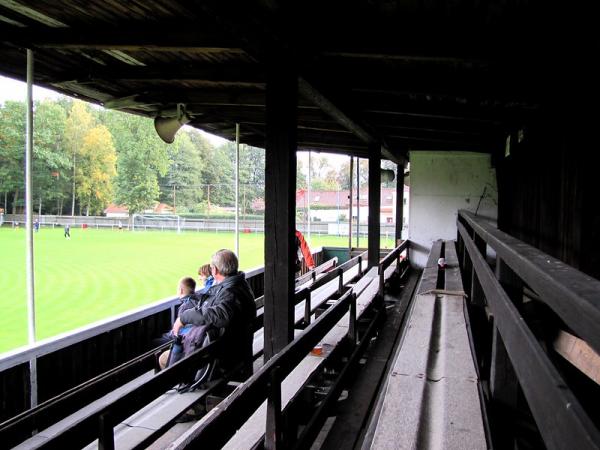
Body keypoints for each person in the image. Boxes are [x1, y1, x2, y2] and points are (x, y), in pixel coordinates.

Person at [173, 249, 256, 380]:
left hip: (224, 360)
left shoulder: (230, 292)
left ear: (215, 270)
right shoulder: (240, 284)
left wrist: (183, 318)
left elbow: (219, 314)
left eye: (211, 267)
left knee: (163, 358)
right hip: (237, 350)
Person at [156, 277, 201, 368]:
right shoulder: (199, 299)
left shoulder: (185, 306)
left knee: (155, 344)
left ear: (180, 290)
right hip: (196, 340)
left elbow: (179, 332)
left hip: (187, 343)